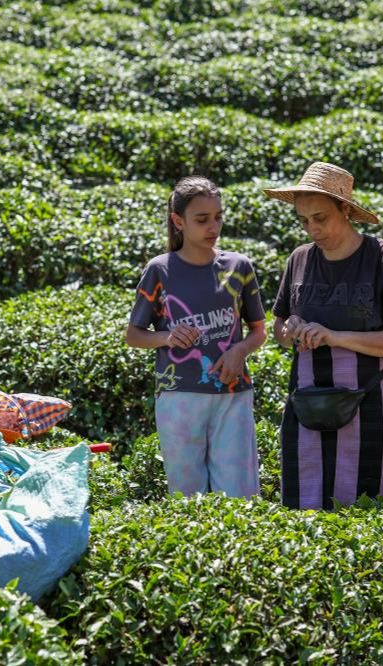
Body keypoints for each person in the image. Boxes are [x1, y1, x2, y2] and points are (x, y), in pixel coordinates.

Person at [266, 162, 383, 510]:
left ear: (347, 209)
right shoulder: (299, 259)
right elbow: (278, 329)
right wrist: (290, 330)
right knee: (303, 507)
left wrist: (335, 336)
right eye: (304, 220)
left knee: (369, 510)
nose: (312, 229)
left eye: (320, 217)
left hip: (371, 403)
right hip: (308, 402)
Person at [126, 176, 267, 498]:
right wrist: (167, 336)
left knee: (239, 496)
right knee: (187, 497)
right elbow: (134, 335)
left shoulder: (239, 267)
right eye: (202, 219)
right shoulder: (159, 270)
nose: (212, 226)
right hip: (179, 396)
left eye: (218, 217)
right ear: (179, 221)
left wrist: (240, 351)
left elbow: (259, 331)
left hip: (233, 394)